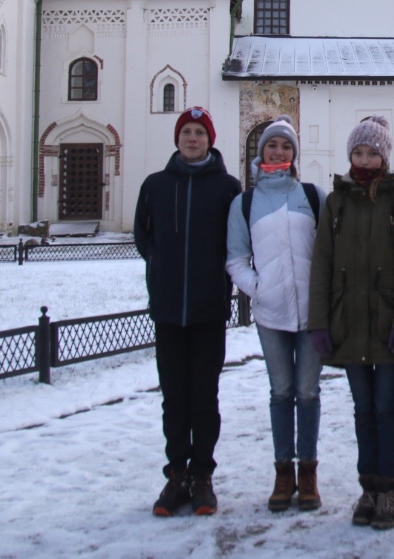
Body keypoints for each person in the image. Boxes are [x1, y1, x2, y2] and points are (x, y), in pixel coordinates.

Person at [307, 116, 394, 530]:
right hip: (349, 319)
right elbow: (322, 263)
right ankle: (368, 487)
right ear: (350, 154)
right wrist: (319, 320)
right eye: (359, 152)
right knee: (362, 408)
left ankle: (388, 489)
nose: (365, 159)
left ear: (385, 156)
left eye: (373, 153)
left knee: (386, 407)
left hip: (388, 320)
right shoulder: (337, 201)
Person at [133, 106, 241, 517]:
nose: (192, 139)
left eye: (199, 133)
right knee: (174, 396)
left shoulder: (227, 187)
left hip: (209, 308)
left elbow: (236, 240)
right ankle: (176, 473)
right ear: (177, 139)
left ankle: (202, 475)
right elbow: (143, 235)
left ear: (210, 140)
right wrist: (160, 264)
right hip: (167, 310)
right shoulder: (156, 185)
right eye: (186, 132)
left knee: (204, 396)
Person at [227, 116, 324, 513]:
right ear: (261, 151)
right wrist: (258, 289)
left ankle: (308, 473)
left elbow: (329, 250)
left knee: (308, 392)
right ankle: (283, 472)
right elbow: (235, 258)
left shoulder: (313, 194)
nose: (278, 152)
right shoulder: (245, 202)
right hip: (271, 313)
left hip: (312, 313)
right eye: (272, 146)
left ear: (294, 154)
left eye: (285, 146)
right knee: (281, 393)